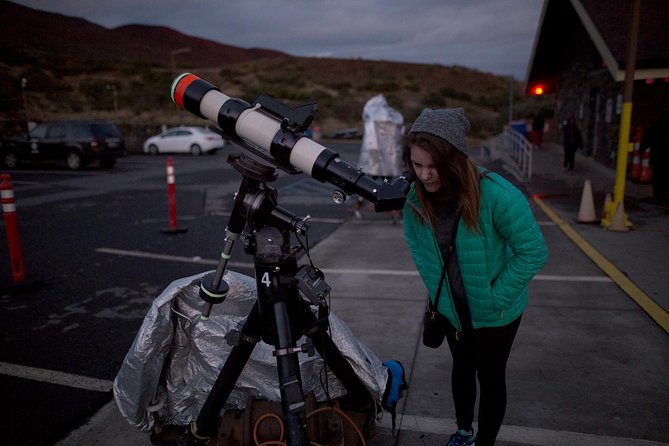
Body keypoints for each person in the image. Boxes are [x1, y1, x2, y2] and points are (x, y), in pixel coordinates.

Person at [402, 108, 549, 446]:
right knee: (462, 369)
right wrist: (440, 300)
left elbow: (534, 252)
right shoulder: (415, 199)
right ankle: (464, 431)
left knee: (491, 377)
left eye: (433, 166)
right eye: (416, 164)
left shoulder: (498, 195)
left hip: (497, 313)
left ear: (454, 158)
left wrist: (494, 298)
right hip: (453, 310)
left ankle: (484, 441)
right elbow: (424, 254)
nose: (424, 175)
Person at [639, 110, 669, 201]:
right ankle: (664, 194)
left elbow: (646, 139)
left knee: (658, 176)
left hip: (657, 156)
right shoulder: (656, 127)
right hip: (663, 156)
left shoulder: (655, 127)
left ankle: (658, 195)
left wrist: (642, 150)